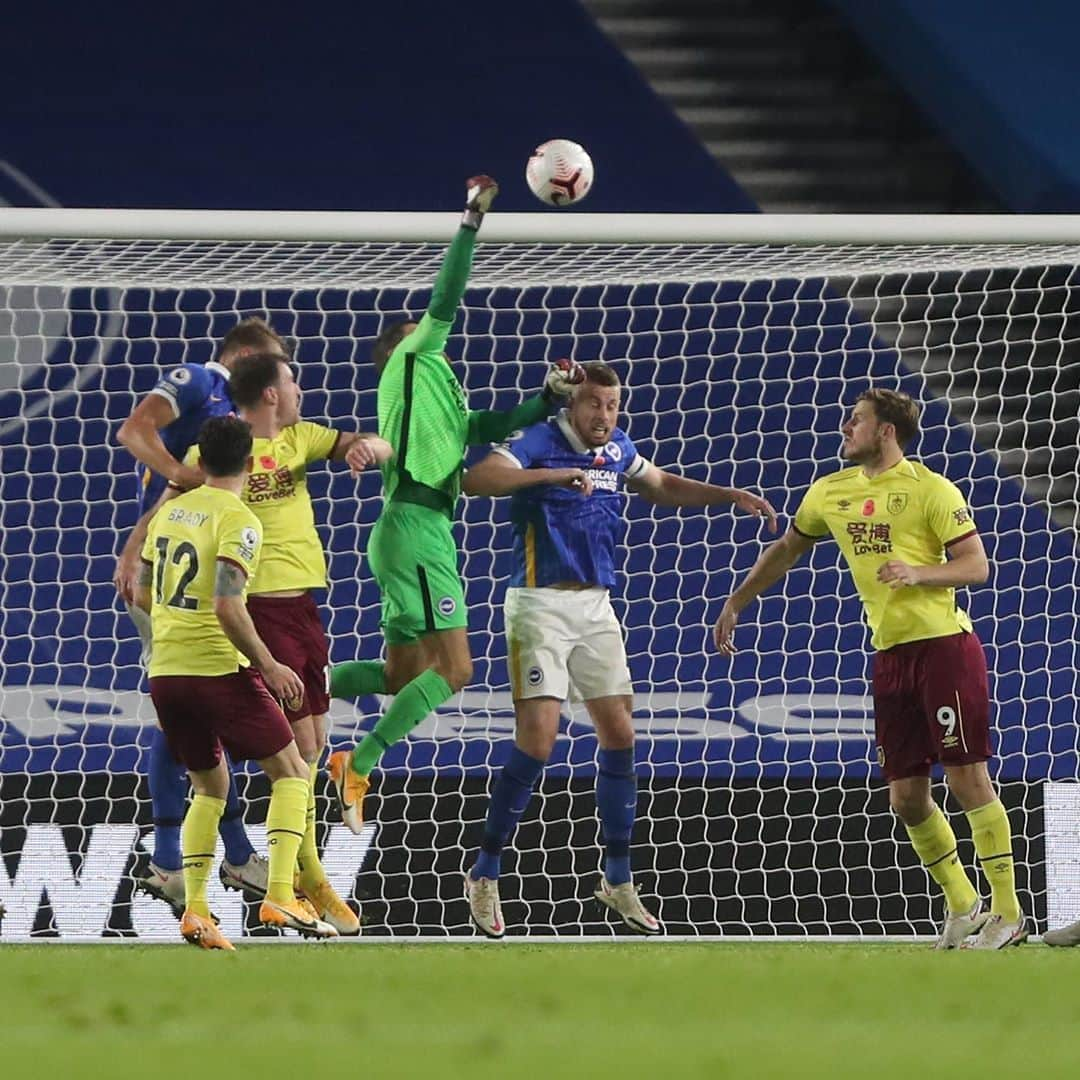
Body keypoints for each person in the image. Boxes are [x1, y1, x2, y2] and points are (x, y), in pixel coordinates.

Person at [460, 361, 778, 936]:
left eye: (612, 405)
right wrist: (548, 477)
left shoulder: (618, 447)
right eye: (594, 405)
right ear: (572, 406)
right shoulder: (539, 440)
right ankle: (484, 873)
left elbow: (659, 485)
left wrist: (726, 494)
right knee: (538, 740)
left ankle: (618, 880)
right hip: (538, 604)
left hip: (596, 607)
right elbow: (478, 479)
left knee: (622, 734)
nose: (604, 415)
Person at [713, 388, 1026, 950]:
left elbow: (976, 565)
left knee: (965, 777)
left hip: (944, 649)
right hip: (890, 656)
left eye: (855, 420)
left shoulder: (930, 489)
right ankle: (964, 905)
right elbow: (787, 549)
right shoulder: (829, 492)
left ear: (885, 431)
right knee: (905, 797)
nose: (844, 427)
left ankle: (1008, 912)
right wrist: (738, 601)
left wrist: (919, 573)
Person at [327, 175, 582, 835]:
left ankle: (291, 680)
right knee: (458, 668)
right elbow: (447, 297)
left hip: (411, 530)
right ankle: (360, 762)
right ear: (403, 349)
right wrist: (470, 223)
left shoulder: (439, 402)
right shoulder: (412, 360)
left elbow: (493, 424)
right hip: (416, 529)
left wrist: (549, 398)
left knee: (397, 675)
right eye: (422, 334)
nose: (435, 337)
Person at [134, 415, 336, 948]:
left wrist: (170, 638)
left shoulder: (169, 514)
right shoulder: (240, 519)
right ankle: (278, 895)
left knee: (210, 787)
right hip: (217, 669)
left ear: (199, 463)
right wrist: (269, 665)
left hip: (166, 674)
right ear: (250, 463)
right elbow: (227, 605)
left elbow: (140, 591)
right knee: (292, 771)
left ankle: (197, 910)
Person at [210, 350, 390, 933]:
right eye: (292, 381)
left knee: (312, 745)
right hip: (258, 606)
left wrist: (368, 449)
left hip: (305, 607)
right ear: (269, 394)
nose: (300, 390)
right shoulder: (225, 450)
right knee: (292, 753)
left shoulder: (302, 439)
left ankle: (304, 878)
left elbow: (371, 443)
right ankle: (298, 882)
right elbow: (181, 494)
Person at [116, 318, 290, 910]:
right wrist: (182, 479)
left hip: (185, 555)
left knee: (187, 707)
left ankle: (194, 860)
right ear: (241, 356)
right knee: (187, 703)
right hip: (171, 567)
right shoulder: (198, 381)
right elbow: (134, 430)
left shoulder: (238, 421)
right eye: (266, 367)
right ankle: (216, 858)